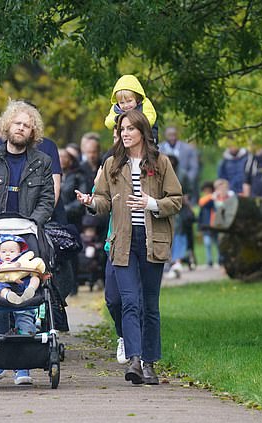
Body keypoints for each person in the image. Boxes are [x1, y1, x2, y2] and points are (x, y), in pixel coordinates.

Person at [76, 110, 182, 385]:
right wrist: (90, 201)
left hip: (151, 240)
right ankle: (134, 360)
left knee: (149, 305)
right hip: (122, 242)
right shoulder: (112, 163)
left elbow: (176, 200)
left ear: (142, 132)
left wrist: (152, 204)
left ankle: (149, 363)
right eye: (122, 129)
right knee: (129, 301)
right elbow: (103, 201)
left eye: (130, 129)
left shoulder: (160, 163)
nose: (124, 133)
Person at [0, 100, 54, 385]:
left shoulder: (42, 162)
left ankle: (24, 365)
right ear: (7, 126)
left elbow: (47, 201)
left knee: (27, 294)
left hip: (27, 239)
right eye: (17, 123)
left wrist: (32, 224)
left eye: (27, 125)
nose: (21, 128)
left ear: (33, 132)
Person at [0, 235, 45, 304]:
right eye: (3, 252)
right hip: (5, 283)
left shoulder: (22, 262)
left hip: (23, 283)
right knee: (0, 287)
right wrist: (2, 266)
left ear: (19, 254)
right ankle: (8, 295)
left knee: (35, 278)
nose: (7, 254)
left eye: (12, 252)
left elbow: (32, 272)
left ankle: (30, 290)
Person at [104, 74, 158, 142]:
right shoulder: (116, 108)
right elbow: (108, 123)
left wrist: (133, 120)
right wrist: (117, 119)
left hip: (147, 138)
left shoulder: (145, 104)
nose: (126, 105)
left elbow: (150, 120)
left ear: (137, 98)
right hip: (125, 140)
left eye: (129, 101)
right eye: (122, 102)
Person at [159, 126, 199, 202]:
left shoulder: (188, 149)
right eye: (170, 135)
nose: (172, 137)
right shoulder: (159, 149)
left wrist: (186, 181)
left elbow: (194, 168)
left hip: (183, 184)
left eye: (174, 135)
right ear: (165, 135)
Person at [198, 181, 219, 268]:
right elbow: (201, 215)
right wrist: (200, 226)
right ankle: (209, 261)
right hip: (206, 226)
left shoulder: (215, 199)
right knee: (207, 243)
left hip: (214, 225)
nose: (207, 192)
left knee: (217, 244)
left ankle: (219, 260)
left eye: (208, 190)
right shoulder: (205, 200)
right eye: (205, 190)